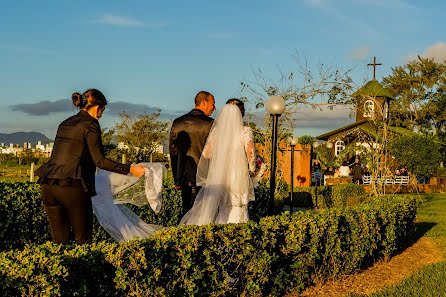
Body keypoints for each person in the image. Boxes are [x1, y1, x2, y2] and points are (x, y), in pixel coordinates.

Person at [35, 89, 146, 245]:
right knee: (83, 241)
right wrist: (131, 170)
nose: (101, 114)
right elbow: (100, 161)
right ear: (98, 107)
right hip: (72, 186)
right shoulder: (91, 124)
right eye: (103, 110)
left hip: (48, 185)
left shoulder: (65, 123)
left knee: (59, 242)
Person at [179, 99, 256, 225]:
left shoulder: (217, 132)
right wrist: (253, 169)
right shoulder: (245, 131)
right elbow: (250, 154)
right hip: (237, 176)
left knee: (223, 209)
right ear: (240, 113)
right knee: (238, 207)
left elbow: (206, 154)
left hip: (220, 176)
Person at [169, 91, 215, 216]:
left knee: (186, 213)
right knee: (202, 215)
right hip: (203, 178)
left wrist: (177, 179)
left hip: (183, 179)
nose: (214, 108)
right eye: (213, 104)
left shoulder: (177, 122)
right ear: (204, 102)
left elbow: (173, 152)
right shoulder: (210, 123)